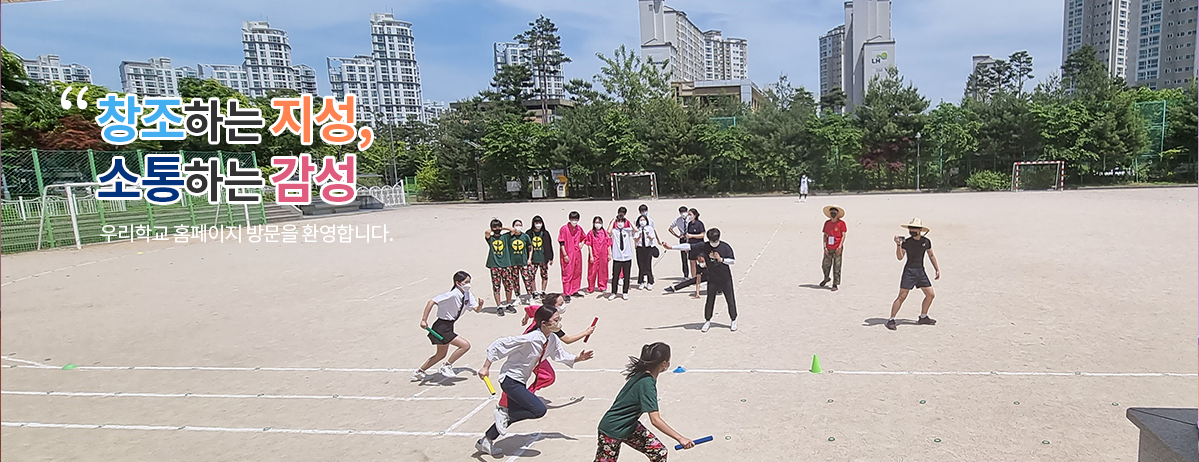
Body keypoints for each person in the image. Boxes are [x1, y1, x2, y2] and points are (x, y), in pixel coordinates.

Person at [475, 305, 595, 457]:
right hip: (510, 379)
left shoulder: (551, 338)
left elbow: (561, 355)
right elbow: (499, 344)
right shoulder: (531, 338)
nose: (559, 323)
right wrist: (486, 367)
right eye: (556, 320)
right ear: (544, 323)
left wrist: (578, 358)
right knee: (538, 409)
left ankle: (486, 440)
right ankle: (503, 411)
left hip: (520, 381)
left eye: (559, 319)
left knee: (510, 417)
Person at [594, 342, 695, 462]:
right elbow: (655, 420)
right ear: (664, 364)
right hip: (612, 430)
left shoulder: (642, 373)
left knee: (659, 453)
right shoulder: (647, 384)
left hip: (629, 426)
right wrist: (680, 438)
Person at [497, 294, 596, 409]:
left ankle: (525, 395)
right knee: (538, 377)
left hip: (540, 352)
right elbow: (567, 340)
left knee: (547, 376)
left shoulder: (543, 314)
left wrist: (525, 318)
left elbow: (529, 310)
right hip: (530, 352)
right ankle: (512, 401)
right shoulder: (549, 325)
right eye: (560, 304)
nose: (563, 305)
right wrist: (586, 332)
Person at [663, 228, 737, 332]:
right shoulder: (705, 246)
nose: (713, 243)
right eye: (711, 241)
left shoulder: (725, 247)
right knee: (710, 300)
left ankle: (733, 320)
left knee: (730, 300)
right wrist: (672, 247)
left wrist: (721, 260)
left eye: (714, 241)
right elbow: (689, 246)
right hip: (712, 279)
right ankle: (707, 321)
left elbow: (733, 261)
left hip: (725, 279)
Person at [415, 271, 484, 380]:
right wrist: (424, 320)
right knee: (465, 345)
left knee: (440, 354)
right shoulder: (452, 294)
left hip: (449, 325)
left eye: (469, 282)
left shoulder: (467, 294)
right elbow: (431, 301)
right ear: (458, 283)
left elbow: (476, 310)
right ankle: (446, 365)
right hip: (441, 327)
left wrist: (480, 305)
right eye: (466, 282)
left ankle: (419, 372)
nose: (468, 284)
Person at [886, 218, 941, 331]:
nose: (912, 230)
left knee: (930, 295)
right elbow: (900, 257)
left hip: (921, 271)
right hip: (909, 271)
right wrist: (898, 245)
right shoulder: (907, 242)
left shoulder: (926, 241)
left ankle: (923, 316)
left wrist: (937, 269)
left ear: (920, 230)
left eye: (915, 228)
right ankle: (891, 319)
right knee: (902, 296)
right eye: (911, 228)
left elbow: (931, 255)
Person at [484, 219, 518, 314]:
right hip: (494, 265)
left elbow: (513, 230)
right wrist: (493, 229)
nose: (497, 228)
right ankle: (499, 306)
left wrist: (501, 228)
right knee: (496, 286)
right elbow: (487, 232)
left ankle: (508, 304)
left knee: (508, 285)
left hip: (505, 264)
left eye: (498, 226)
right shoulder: (491, 239)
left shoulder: (505, 237)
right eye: (495, 227)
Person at [819, 205, 848, 291]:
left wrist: (840, 246)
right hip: (828, 246)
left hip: (837, 247)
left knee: (837, 266)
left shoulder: (841, 223)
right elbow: (825, 235)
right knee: (825, 265)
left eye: (834, 213)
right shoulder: (827, 223)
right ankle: (826, 277)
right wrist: (824, 246)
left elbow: (843, 235)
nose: (833, 214)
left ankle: (835, 283)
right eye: (831, 213)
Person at [559, 211, 586, 300]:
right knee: (567, 273)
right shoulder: (564, 228)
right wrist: (565, 254)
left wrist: (582, 243)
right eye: (572, 219)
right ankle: (566, 292)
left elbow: (584, 237)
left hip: (577, 253)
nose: (574, 221)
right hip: (568, 253)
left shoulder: (579, 228)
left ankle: (575, 290)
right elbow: (561, 242)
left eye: (576, 219)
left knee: (577, 272)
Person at [608, 214, 635, 300]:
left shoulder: (627, 231)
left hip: (627, 257)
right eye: (619, 222)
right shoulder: (614, 231)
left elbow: (635, 230)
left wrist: (628, 221)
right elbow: (608, 231)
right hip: (617, 257)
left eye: (622, 222)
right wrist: (613, 221)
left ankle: (625, 292)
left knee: (627, 276)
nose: (620, 223)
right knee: (615, 276)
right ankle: (614, 292)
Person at [528, 215, 555, 296]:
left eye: (540, 222)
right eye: (536, 223)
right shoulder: (529, 233)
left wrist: (551, 258)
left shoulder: (545, 233)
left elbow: (549, 245)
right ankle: (534, 291)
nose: (538, 224)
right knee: (531, 276)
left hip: (543, 258)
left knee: (544, 275)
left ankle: (543, 291)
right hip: (533, 259)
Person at [585, 216, 613, 294]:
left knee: (603, 271)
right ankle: (591, 287)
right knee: (592, 271)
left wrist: (609, 254)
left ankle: (602, 286)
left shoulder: (605, 233)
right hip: (594, 255)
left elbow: (608, 244)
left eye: (599, 222)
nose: (598, 224)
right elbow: (589, 244)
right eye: (596, 222)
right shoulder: (591, 233)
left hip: (603, 255)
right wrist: (591, 255)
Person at [682, 208, 706, 299]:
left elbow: (702, 235)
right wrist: (686, 245)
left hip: (699, 245)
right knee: (692, 262)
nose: (689, 216)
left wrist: (692, 236)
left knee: (700, 262)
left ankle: (702, 279)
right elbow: (687, 236)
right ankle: (693, 278)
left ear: (695, 215)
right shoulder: (689, 224)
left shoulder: (699, 224)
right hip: (691, 245)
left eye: (690, 214)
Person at [509, 219, 534, 303]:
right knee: (515, 281)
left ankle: (530, 296)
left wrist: (529, 259)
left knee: (527, 279)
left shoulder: (525, 236)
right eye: (516, 225)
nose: (518, 227)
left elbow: (530, 248)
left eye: (520, 225)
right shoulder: (509, 237)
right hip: (513, 262)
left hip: (524, 261)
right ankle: (517, 297)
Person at [633, 214, 659, 291]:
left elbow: (652, 238)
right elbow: (635, 240)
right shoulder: (637, 229)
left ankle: (650, 282)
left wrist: (649, 236)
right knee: (641, 265)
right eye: (641, 220)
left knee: (648, 264)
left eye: (643, 220)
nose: (642, 222)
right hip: (640, 248)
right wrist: (639, 236)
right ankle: (641, 282)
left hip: (648, 248)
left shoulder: (649, 228)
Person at [667, 206, 690, 278]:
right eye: (681, 212)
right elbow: (670, 228)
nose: (683, 214)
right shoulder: (677, 220)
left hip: (691, 238)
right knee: (684, 258)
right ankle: (685, 275)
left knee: (693, 257)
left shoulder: (690, 219)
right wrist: (677, 235)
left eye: (684, 212)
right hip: (682, 238)